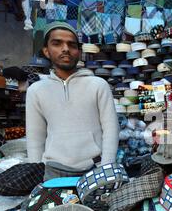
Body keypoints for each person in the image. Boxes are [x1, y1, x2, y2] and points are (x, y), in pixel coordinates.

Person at [25, 22, 119, 180]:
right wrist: (37, 172)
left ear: (78, 51)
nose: (65, 49)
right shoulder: (36, 90)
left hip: (94, 168)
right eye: (57, 43)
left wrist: (106, 167)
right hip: (53, 171)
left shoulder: (98, 85)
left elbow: (111, 129)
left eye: (72, 45)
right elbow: (35, 136)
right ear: (46, 51)